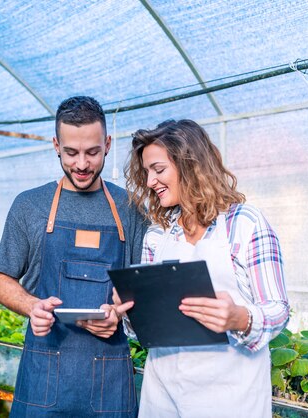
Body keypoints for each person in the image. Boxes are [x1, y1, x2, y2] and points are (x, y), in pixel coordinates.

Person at [0, 96, 146, 418]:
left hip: (109, 378)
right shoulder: (29, 206)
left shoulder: (130, 209)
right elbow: (2, 282)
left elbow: (142, 288)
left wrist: (119, 313)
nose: (81, 164)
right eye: (71, 152)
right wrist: (32, 306)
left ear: (106, 144)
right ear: (56, 145)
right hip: (44, 374)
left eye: (92, 152)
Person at [124, 119, 289, 418]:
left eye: (158, 170)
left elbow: (278, 309)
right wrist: (131, 309)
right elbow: (145, 328)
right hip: (162, 393)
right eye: (147, 172)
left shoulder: (245, 224)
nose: (150, 182)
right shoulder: (158, 234)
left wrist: (240, 318)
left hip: (229, 396)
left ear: (190, 165)